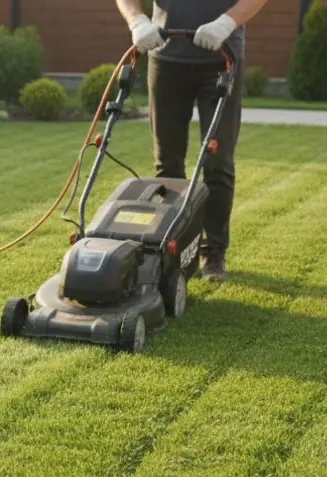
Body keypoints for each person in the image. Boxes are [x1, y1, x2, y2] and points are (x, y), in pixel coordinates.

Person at [116, 0, 268, 282]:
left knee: (217, 161)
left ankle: (213, 253)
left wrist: (226, 22)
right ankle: (174, 250)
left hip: (220, 57)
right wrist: (137, 21)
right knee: (167, 164)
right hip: (166, 58)